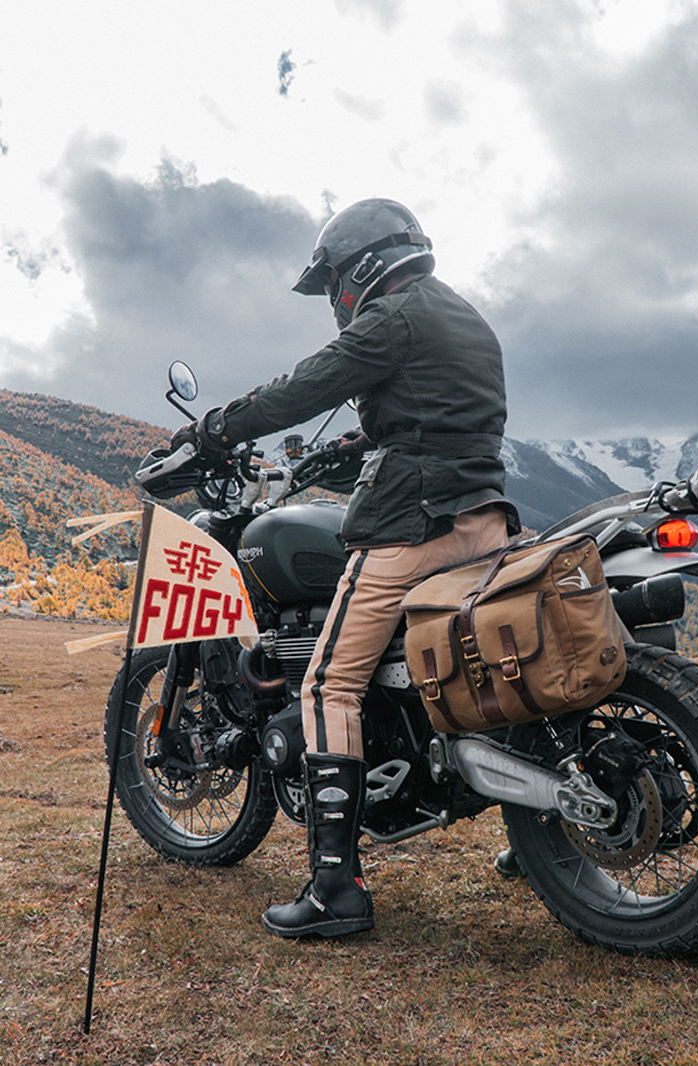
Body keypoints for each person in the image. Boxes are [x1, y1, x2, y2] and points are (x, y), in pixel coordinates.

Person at [178, 198, 519, 938]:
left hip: (414, 523)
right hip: (484, 521)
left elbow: (310, 382)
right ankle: (530, 828)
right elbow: (432, 410)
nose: (334, 300)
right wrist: (347, 448)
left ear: (362, 265)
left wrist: (217, 427)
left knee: (329, 682)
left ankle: (336, 888)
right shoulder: (462, 317)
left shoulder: (392, 316)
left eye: (333, 282)